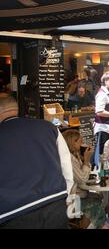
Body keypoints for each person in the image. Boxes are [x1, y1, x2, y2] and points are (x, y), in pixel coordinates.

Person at [0, 97, 73, 228]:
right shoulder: (49, 127)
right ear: (17, 109)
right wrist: (65, 196)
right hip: (54, 202)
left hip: (13, 212)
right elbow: (66, 166)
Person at [62, 129, 106, 229]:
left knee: (98, 196)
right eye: (80, 142)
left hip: (79, 194)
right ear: (72, 143)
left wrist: (84, 160)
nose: (83, 144)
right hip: (72, 200)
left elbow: (83, 176)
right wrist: (86, 160)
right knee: (97, 205)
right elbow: (82, 179)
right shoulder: (69, 159)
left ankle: (84, 225)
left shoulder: (75, 155)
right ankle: (97, 225)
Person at [93, 71, 109, 167]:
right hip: (103, 128)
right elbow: (99, 112)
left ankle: (106, 172)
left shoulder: (107, 93)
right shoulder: (102, 94)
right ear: (106, 81)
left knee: (107, 152)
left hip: (108, 127)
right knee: (102, 153)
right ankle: (101, 173)